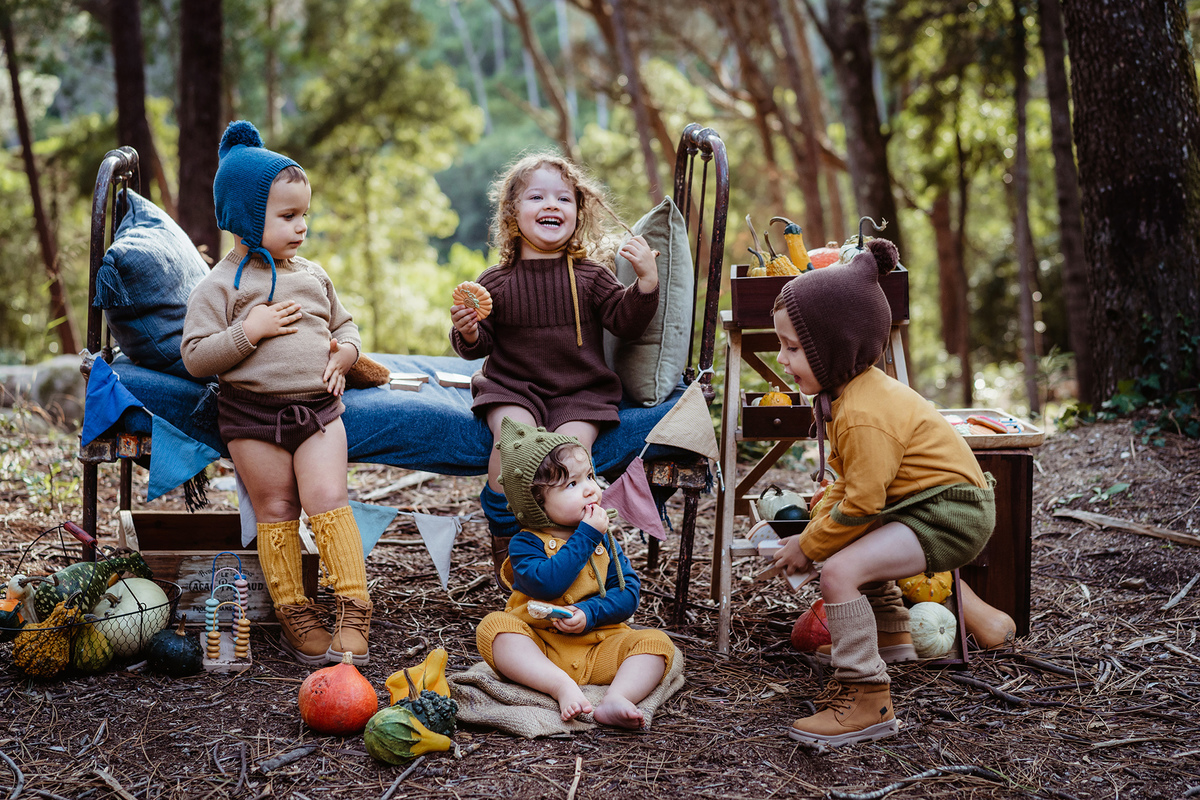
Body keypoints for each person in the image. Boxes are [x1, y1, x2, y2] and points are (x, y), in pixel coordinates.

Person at [753, 238, 996, 747]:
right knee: (845, 541)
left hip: (948, 512)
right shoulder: (848, 394)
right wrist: (815, 532)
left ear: (834, 348)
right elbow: (847, 485)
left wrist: (810, 547)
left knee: (839, 571)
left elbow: (863, 504)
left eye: (793, 348)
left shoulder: (864, 413)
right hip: (922, 504)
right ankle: (890, 633)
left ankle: (867, 698)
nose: (781, 358)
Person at [182, 120, 373, 666]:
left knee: (327, 498)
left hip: (317, 411)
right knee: (277, 507)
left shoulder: (312, 275)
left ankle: (354, 607)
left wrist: (346, 353)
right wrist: (250, 331)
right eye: (287, 216)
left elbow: (346, 325)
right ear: (245, 218)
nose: (302, 227)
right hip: (251, 416)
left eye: (304, 214)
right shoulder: (219, 286)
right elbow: (195, 356)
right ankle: (295, 612)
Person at [449, 153, 660, 551]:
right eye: (537, 197)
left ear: (578, 213)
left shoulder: (592, 276)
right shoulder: (495, 281)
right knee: (512, 449)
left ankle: (568, 549)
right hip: (512, 389)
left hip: (580, 394)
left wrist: (646, 283)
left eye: (564, 199)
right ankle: (507, 543)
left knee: (568, 460)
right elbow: (478, 345)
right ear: (512, 214)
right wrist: (468, 330)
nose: (551, 205)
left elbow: (625, 322)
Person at [476, 417, 677, 729]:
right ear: (536, 502)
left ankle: (617, 697)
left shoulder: (603, 539)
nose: (590, 490)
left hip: (599, 645)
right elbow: (546, 584)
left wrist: (589, 612)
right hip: (541, 648)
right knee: (494, 628)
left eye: (589, 477)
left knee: (657, 643)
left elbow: (627, 593)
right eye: (572, 484)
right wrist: (586, 536)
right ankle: (559, 685)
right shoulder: (525, 543)